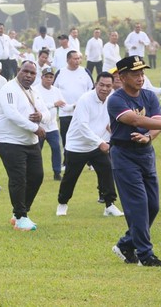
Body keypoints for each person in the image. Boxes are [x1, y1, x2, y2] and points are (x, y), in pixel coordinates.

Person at [108, 56, 161, 267]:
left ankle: (126, 244)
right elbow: (135, 120)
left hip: (145, 153)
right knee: (138, 205)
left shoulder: (148, 96)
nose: (141, 78)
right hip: (124, 155)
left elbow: (157, 121)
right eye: (135, 74)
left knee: (152, 206)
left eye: (142, 73)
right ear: (122, 76)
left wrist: (149, 137)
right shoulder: (116, 99)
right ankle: (145, 255)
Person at [56, 71, 123, 217]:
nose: (104, 89)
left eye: (108, 86)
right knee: (70, 177)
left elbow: (110, 122)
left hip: (97, 144)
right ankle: (62, 203)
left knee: (107, 171)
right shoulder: (85, 99)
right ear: (95, 84)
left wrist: (113, 134)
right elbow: (83, 126)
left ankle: (109, 205)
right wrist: (101, 143)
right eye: (101, 85)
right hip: (77, 145)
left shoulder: (112, 99)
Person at [0, 61, 50, 231]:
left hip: (30, 142)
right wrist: (35, 128)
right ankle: (20, 217)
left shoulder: (34, 92)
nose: (28, 75)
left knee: (37, 176)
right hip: (10, 141)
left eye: (32, 73)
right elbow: (12, 114)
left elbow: (48, 113)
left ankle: (20, 211)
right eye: (25, 71)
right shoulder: (9, 89)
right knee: (19, 178)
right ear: (18, 71)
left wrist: (41, 116)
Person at [53, 51, 94, 163]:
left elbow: (92, 89)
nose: (78, 61)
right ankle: (67, 161)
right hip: (65, 112)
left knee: (86, 135)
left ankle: (90, 161)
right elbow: (53, 90)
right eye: (75, 59)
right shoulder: (60, 72)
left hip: (83, 111)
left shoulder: (85, 71)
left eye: (79, 58)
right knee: (66, 137)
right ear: (68, 60)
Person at [35, 67, 67, 181]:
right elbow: (38, 107)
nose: (49, 79)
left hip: (52, 126)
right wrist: (54, 104)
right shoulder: (35, 90)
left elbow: (64, 104)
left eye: (51, 77)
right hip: (39, 126)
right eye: (46, 77)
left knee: (56, 148)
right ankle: (35, 173)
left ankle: (57, 172)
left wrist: (74, 106)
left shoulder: (56, 91)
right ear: (42, 77)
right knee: (37, 151)